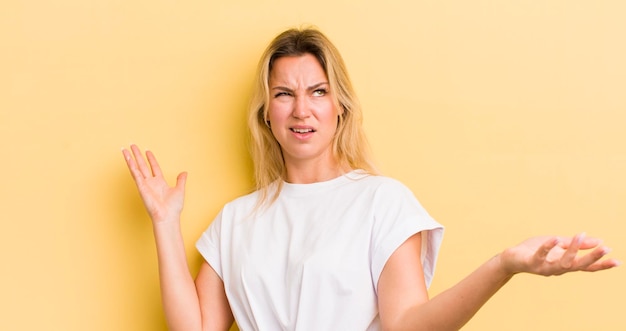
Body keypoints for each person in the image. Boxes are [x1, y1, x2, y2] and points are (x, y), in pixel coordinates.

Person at [122, 27, 620, 331]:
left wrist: (504, 265)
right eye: (284, 94)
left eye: (318, 91)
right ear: (265, 113)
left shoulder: (383, 202)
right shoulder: (237, 220)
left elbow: (407, 325)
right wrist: (165, 223)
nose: (302, 109)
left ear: (340, 108)